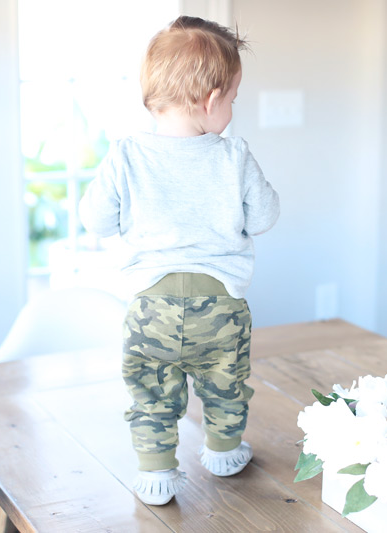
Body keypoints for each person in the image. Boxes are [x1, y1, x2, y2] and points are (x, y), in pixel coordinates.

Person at [78, 15, 280, 506]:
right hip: (221, 309)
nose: (231, 109)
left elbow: (97, 221)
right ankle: (223, 451)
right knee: (226, 384)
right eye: (232, 98)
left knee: (150, 392)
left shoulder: (125, 156)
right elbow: (267, 216)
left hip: (152, 309)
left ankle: (157, 473)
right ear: (211, 100)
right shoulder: (234, 156)